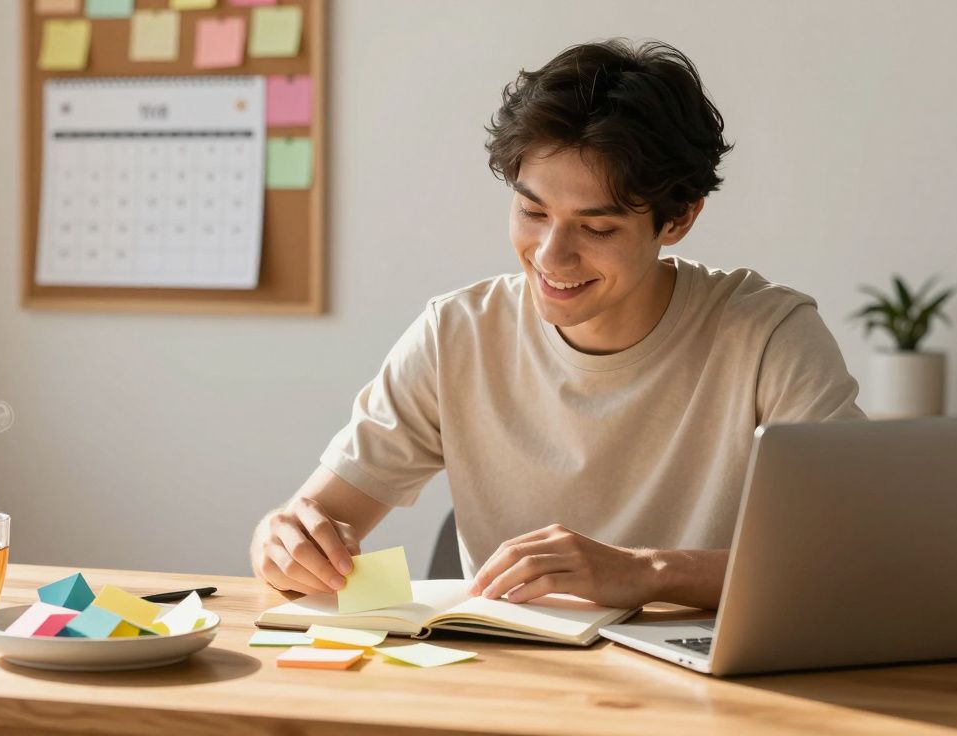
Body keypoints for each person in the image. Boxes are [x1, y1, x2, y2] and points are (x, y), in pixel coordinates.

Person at [249, 38, 863, 610]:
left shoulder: (768, 335)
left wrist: (646, 573)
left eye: (596, 228)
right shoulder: (456, 335)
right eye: (532, 211)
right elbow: (315, 517)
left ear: (678, 220)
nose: (550, 256)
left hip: (705, 690)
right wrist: (281, 541)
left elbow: (856, 557)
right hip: (515, 682)